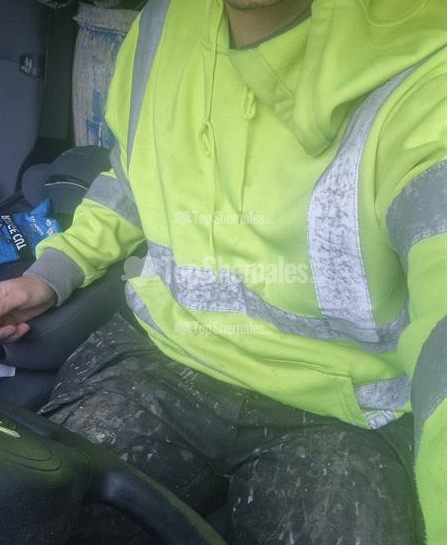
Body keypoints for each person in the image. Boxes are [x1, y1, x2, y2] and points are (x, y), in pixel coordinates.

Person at [0, 0, 445, 543]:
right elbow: (133, 177)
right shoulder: (161, 22)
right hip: (160, 355)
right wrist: (53, 271)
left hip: (344, 410)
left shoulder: (425, 65)